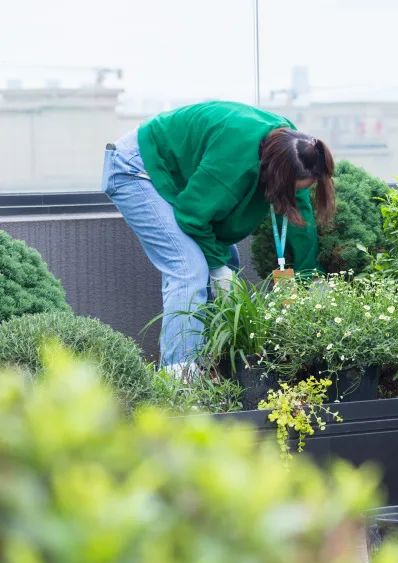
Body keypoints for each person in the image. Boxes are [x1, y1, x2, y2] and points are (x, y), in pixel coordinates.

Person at [102, 101, 335, 376]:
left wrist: (310, 276)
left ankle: (212, 363)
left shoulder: (293, 151)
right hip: (136, 168)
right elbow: (192, 215)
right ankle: (180, 379)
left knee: (228, 264)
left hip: (176, 174)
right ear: (277, 175)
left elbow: (299, 215)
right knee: (189, 269)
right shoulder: (236, 156)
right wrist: (216, 267)